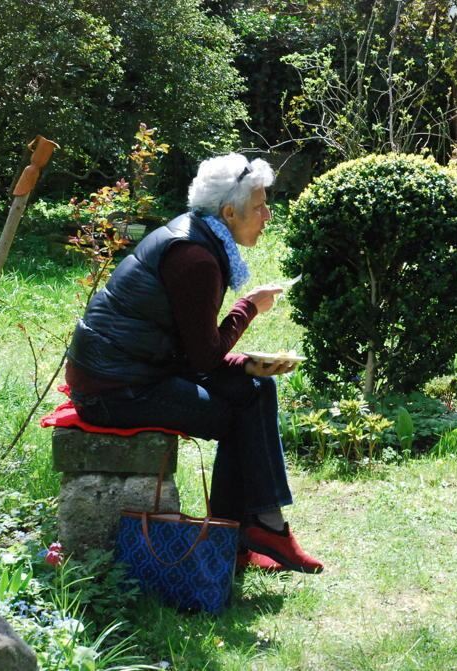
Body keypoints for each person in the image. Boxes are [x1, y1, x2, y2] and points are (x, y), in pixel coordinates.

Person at [66, 153, 323, 574]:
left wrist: (244, 364)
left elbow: (191, 350)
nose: (268, 215)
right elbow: (204, 358)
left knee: (256, 387)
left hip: (136, 372)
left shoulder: (197, 239)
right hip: (114, 389)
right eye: (259, 206)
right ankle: (252, 530)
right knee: (238, 410)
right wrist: (249, 307)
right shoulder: (196, 258)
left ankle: (246, 533)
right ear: (228, 212)